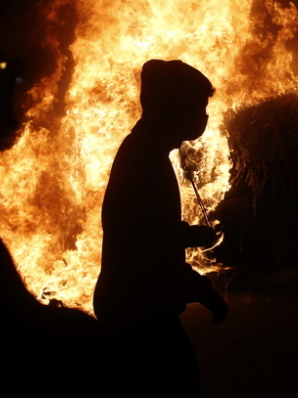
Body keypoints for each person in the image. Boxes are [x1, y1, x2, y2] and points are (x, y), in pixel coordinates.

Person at [93, 59, 227, 394]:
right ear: (174, 108)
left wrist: (189, 238)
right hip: (136, 309)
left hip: (131, 303)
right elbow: (149, 247)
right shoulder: (145, 161)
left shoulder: (145, 152)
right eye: (198, 107)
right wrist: (201, 289)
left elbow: (150, 231)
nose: (203, 117)